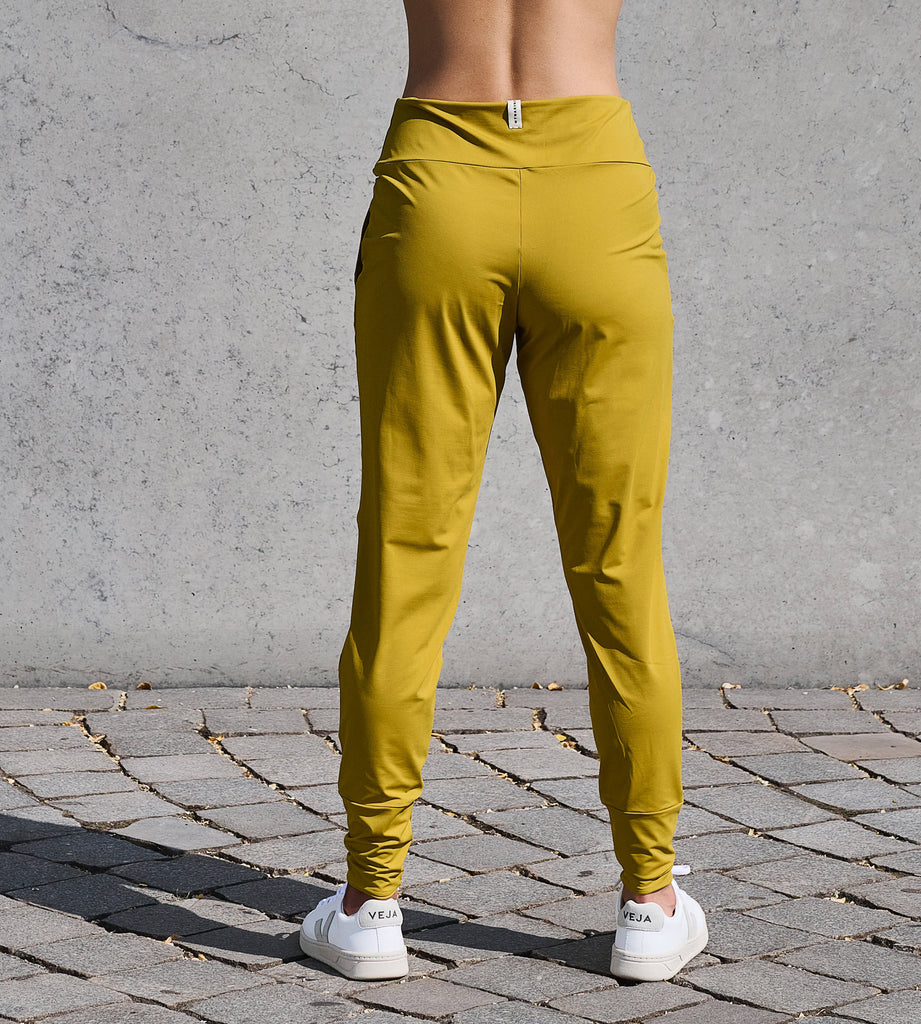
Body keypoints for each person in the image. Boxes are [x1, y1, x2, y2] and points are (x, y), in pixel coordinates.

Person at [300, 0, 708, 983]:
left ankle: (368, 904)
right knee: (619, 557)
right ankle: (650, 902)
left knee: (405, 550)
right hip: (594, 186)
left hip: (439, 173)